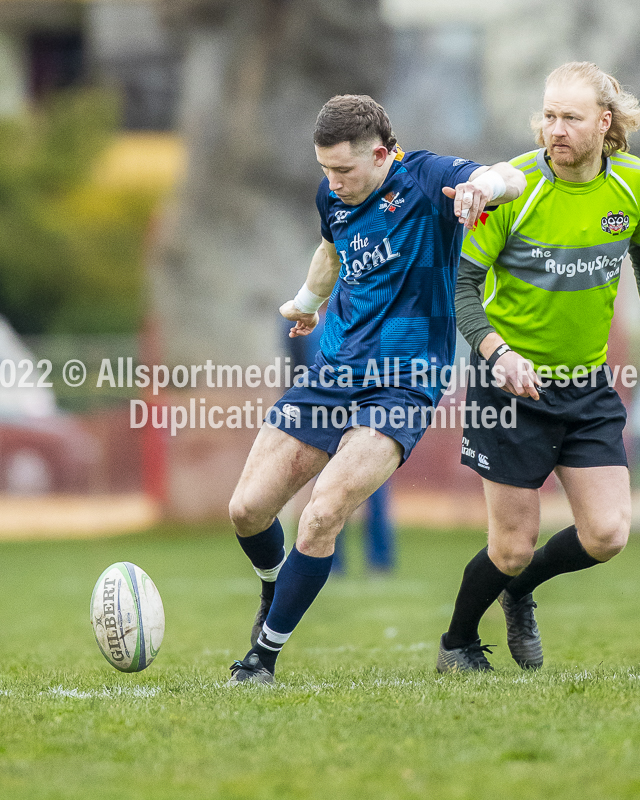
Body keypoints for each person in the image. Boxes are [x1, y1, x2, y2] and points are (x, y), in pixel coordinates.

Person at [227, 93, 525, 683]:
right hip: (334, 371)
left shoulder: (428, 179)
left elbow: (510, 177)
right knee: (246, 510)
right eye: (324, 169)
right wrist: (309, 305)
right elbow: (330, 247)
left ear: (383, 154)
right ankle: (274, 589)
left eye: (343, 169)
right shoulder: (332, 196)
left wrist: (482, 190)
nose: (331, 182)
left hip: (405, 384)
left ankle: (262, 656)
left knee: (321, 514)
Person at [437, 62, 640, 673]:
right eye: (549, 115)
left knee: (608, 535)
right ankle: (457, 643)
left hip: (586, 386)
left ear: (604, 124)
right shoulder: (513, 188)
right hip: (508, 390)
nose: (556, 129)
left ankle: (520, 594)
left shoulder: (629, 185)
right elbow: (463, 290)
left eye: (571, 118)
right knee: (511, 548)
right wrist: (498, 356)